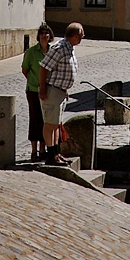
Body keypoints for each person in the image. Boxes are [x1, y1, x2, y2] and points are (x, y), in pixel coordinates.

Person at [38, 21, 84, 166]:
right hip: (52, 90)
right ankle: (51, 155)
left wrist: (65, 90)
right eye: (82, 34)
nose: (83, 36)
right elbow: (44, 68)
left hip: (60, 91)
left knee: (57, 124)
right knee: (50, 124)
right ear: (75, 35)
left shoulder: (69, 48)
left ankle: (57, 154)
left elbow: (63, 71)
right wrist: (43, 89)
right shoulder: (60, 48)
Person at [21, 23, 54, 163]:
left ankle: (42, 150)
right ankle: (34, 151)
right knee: (35, 120)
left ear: (50, 36)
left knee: (46, 121)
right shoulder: (32, 52)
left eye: (47, 33)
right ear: (38, 36)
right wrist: (35, 82)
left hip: (49, 91)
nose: (44, 35)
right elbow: (25, 69)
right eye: (42, 33)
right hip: (34, 91)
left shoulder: (53, 52)